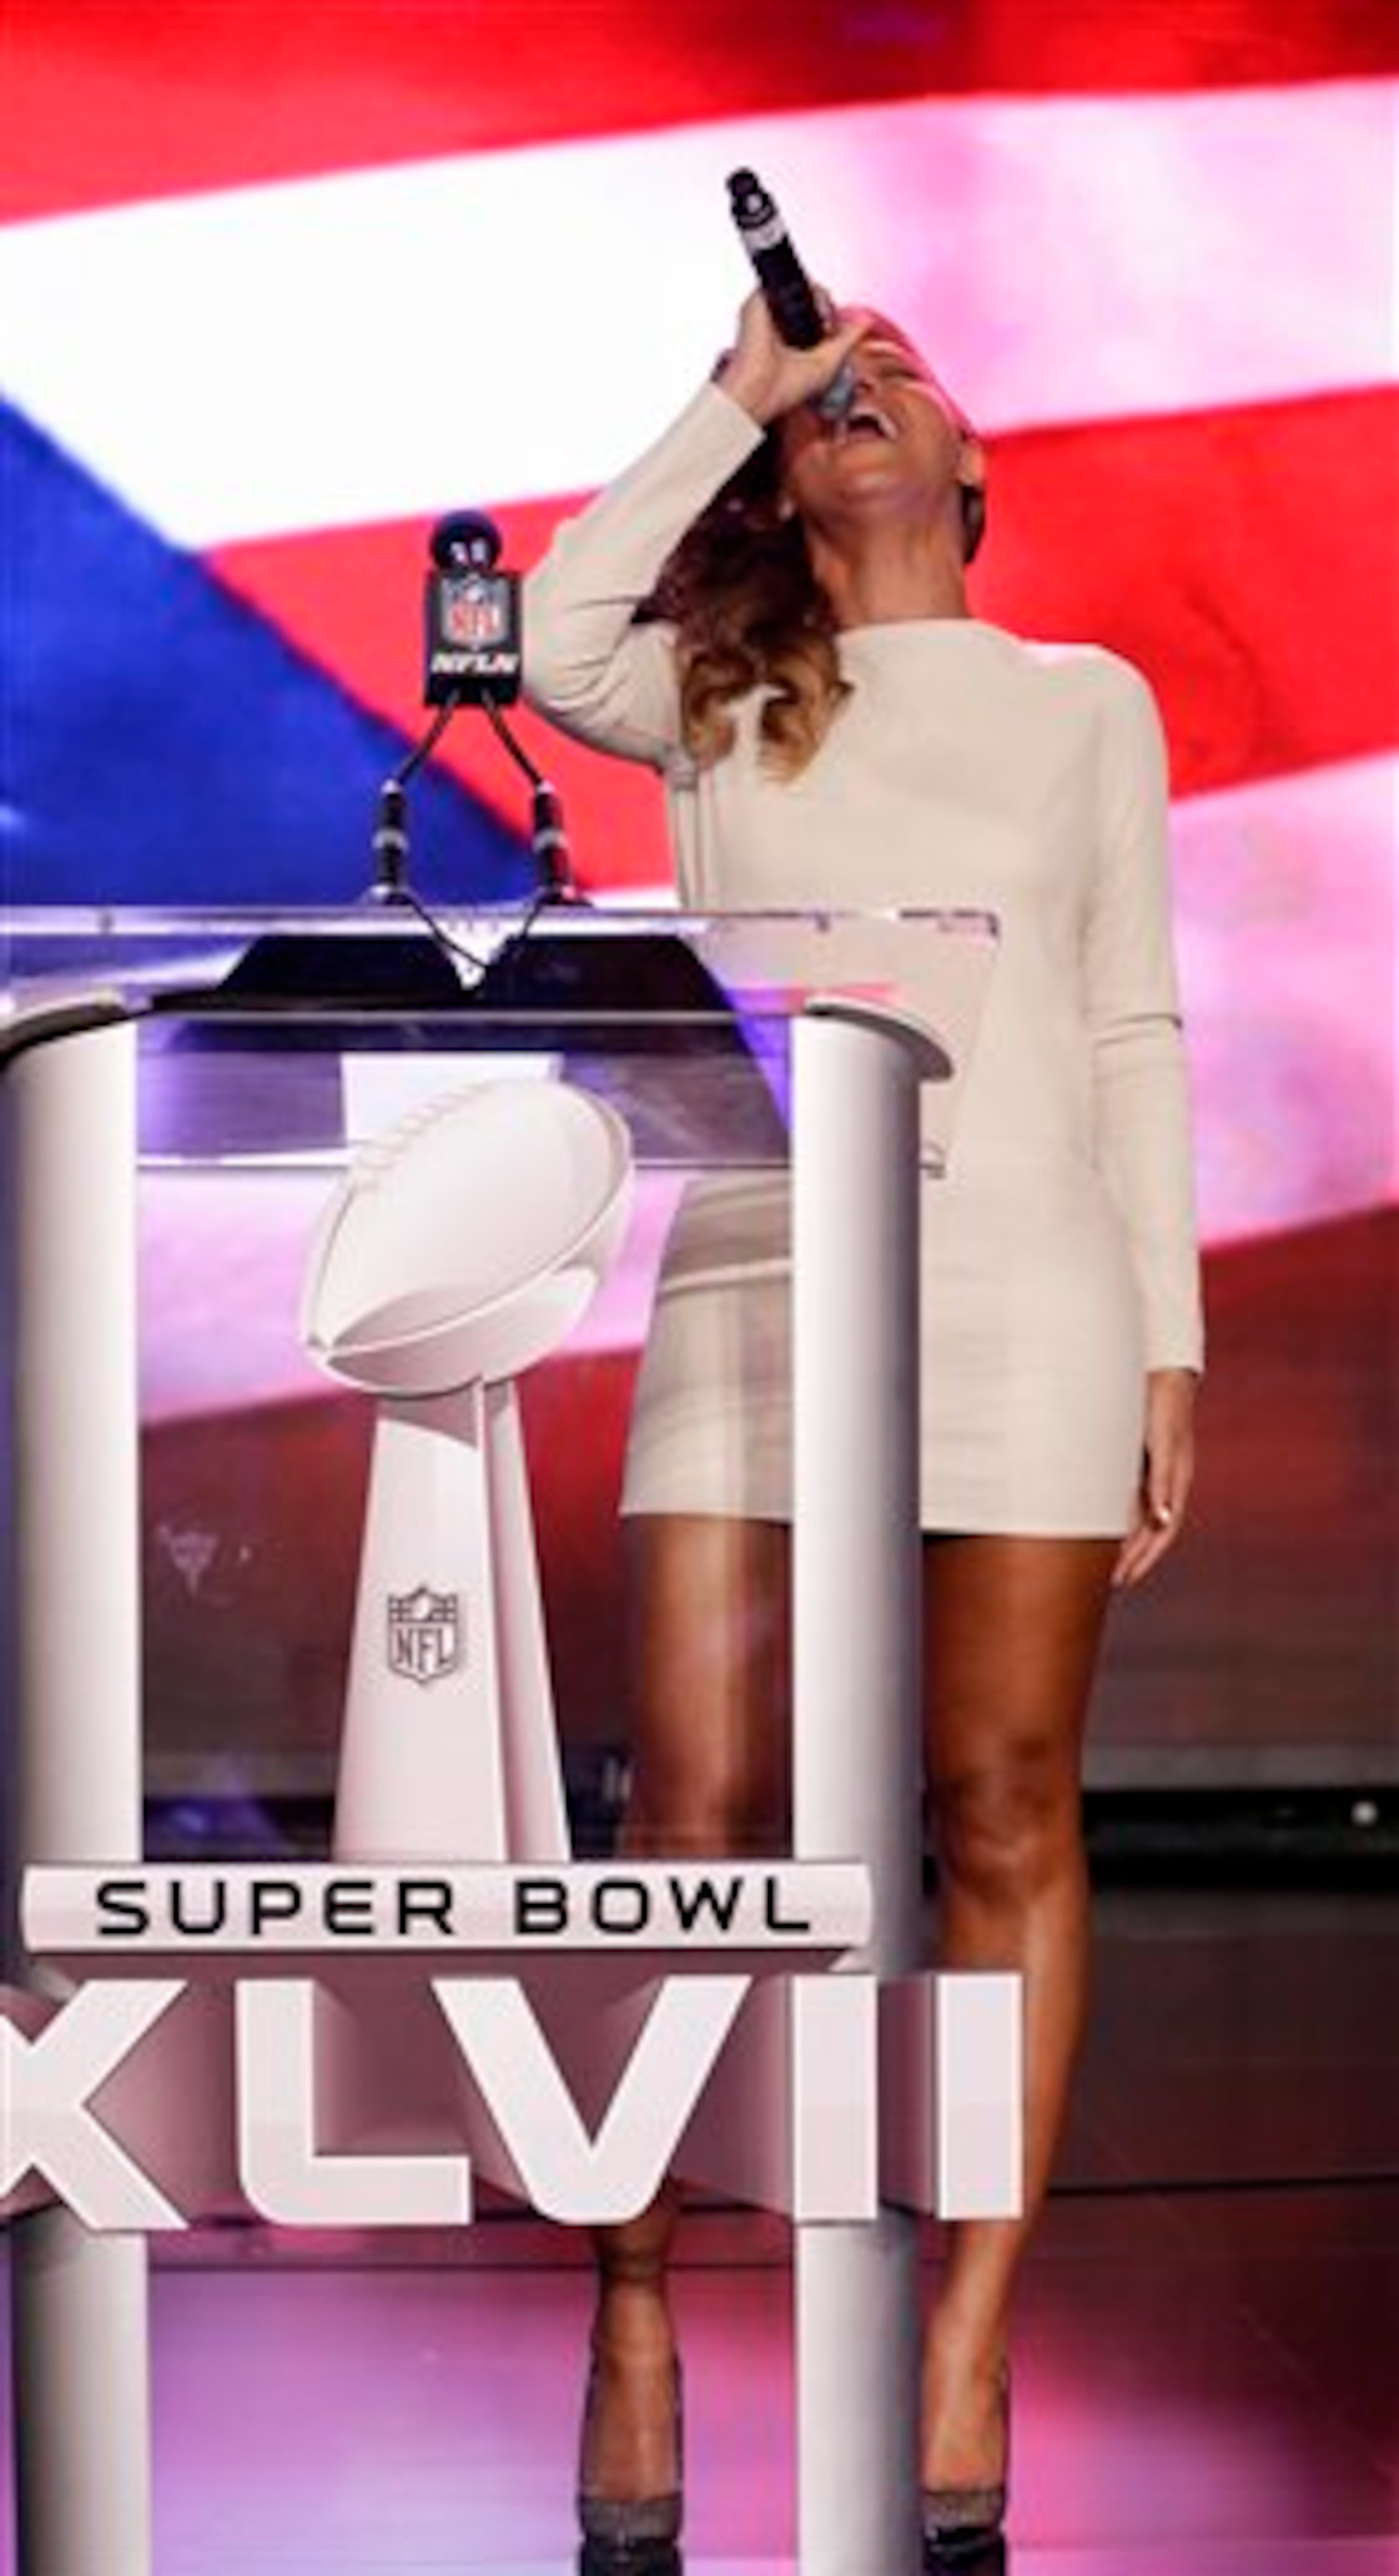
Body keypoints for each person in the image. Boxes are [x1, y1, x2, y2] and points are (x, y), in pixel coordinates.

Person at [523, 289, 1203, 2575]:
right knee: (695, 1810)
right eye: (830, 407)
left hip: (1027, 1284)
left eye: (900, 388)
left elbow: (1128, 1023)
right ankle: (634, 2314)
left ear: (979, 471)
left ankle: (964, 2333)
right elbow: (547, 630)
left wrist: (1176, 1337)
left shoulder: (1080, 702)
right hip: (758, 1283)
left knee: (998, 1805)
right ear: (785, 482)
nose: (867, 404)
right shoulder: (718, 697)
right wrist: (736, 378)